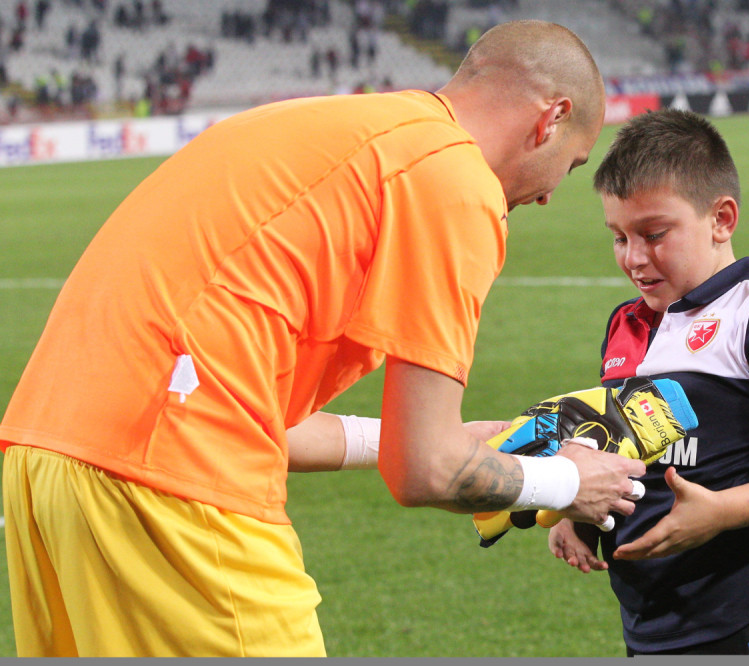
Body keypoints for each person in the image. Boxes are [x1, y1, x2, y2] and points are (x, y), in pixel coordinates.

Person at [0, 20, 647, 657]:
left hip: (44, 462)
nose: (548, 198)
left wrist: (423, 436)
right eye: (572, 164)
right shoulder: (455, 178)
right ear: (551, 119)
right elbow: (424, 468)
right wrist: (566, 481)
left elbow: (250, 412)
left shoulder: (328, 126)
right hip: (168, 483)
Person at [548, 109, 749, 655]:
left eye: (654, 234)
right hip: (652, 621)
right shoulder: (624, 324)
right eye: (619, 237)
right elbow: (630, 451)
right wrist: (585, 514)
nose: (634, 258)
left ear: (721, 219)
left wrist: (723, 511)